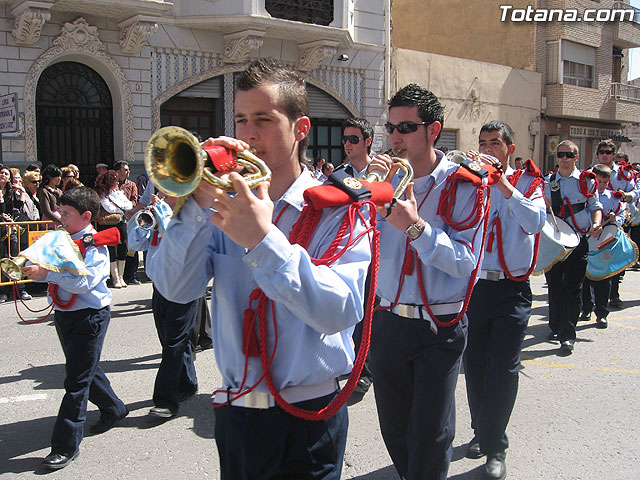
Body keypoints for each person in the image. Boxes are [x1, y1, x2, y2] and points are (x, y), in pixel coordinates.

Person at [147, 58, 373, 479]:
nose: (248, 134)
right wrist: (196, 202)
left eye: (264, 120)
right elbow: (175, 289)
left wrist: (263, 240)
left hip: (308, 415)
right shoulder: (222, 203)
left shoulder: (341, 207)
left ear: (300, 128)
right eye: (241, 119)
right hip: (238, 413)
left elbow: (338, 311)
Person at [366, 83, 494, 480]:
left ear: (433, 130)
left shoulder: (464, 184)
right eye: (390, 128)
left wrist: (416, 228)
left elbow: (465, 262)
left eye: (405, 128)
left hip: (438, 325)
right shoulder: (383, 180)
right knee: (395, 429)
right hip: (386, 321)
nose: (395, 137)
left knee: (430, 435)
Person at [22, 187, 128, 470]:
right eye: (60, 212)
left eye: (67, 214)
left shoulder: (96, 245)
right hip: (66, 314)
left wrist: (47, 274)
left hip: (90, 316)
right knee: (84, 368)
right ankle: (114, 408)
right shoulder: (62, 238)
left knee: (76, 381)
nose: (61, 217)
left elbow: (83, 284)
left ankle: (66, 446)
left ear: (86, 216)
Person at [462, 121, 546, 480]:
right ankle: (482, 430)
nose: (488, 148)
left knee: (503, 369)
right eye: (482, 142)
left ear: (509, 148)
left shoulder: (529, 183)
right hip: (476, 287)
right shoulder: (471, 181)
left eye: (495, 143)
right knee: (475, 366)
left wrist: (505, 187)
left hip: (512, 289)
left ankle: (497, 446)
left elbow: (535, 221)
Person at [128, 197, 200, 418]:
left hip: (183, 285)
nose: (160, 198)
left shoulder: (192, 215)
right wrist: (144, 225)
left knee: (174, 343)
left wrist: (164, 217)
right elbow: (134, 244)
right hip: (159, 286)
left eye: (167, 193)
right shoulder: (158, 217)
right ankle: (187, 383)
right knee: (170, 339)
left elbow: (183, 245)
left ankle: (165, 400)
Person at [545, 140, 602, 354]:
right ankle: (556, 325)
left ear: (576, 157)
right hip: (555, 242)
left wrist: (596, 223)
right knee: (555, 286)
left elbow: (595, 207)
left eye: (569, 155)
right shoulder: (548, 182)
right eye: (561, 154)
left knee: (573, 288)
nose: (564, 158)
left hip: (578, 241)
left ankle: (568, 334)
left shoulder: (586, 181)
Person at [336, 117, 375, 400]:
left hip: (378, 252)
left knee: (369, 316)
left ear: (368, 141)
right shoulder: (339, 175)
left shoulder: (386, 170)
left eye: (354, 139)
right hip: (349, 250)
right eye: (345, 139)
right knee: (350, 310)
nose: (347, 145)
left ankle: (364, 372)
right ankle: (350, 363)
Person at [592, 139, 637, 310]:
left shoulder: (623, 173)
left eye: (608, 152)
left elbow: (635, 190)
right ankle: (591, 298)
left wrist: (626, 195)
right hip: (594, 225)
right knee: (593, 258)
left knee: (614, 258)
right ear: (597, 154)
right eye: (602, 152)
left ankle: (614, 294)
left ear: (614, 154)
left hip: (616, 221)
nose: (605, 155)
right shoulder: (589, 173)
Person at [580, 164, 626, 329]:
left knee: (603, 279)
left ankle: (601, 313)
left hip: (603, 243)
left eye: (605, 182)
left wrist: (615, 219)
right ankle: (586, 309)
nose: (602, 185)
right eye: (599, 181)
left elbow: (622, 216)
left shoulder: (613, 198)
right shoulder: (585, 195)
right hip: (586, 240)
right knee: (585, 277)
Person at [94, 170, 132, 288]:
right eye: (114, 179)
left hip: (121, 223)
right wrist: (121, 207)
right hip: (109, 224)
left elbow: (129, 205)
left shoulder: (119, 192)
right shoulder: (103, 194)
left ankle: (121, 276)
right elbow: (109, 208)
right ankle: (115, 278)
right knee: (112, 250)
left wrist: (121, 206)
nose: (117, 181)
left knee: (123, 249)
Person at [114, 160, 140, 285]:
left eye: (129, 169)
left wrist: (128, 211)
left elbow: (135, 200)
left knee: (131, 247)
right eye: (125, 169)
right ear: (117, 172)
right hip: (116, 220)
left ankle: (132, 275)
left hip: (129, 219)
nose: (128, 171)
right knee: (118, 247)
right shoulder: (112, 186)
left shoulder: (132, 185)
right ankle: (118, 276)